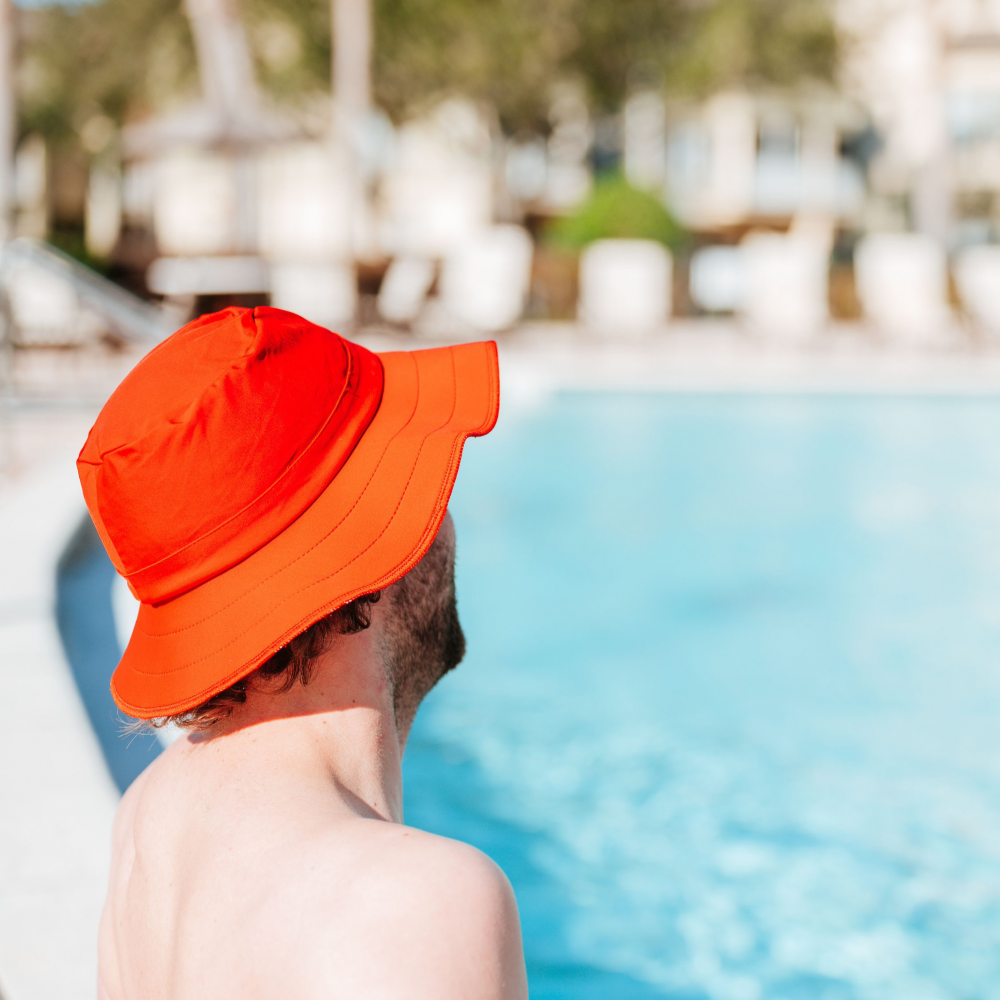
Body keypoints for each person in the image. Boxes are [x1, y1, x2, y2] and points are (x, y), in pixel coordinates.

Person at [80, 306, 527, 999]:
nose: (446, 518)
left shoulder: (150, 824)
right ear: (369, 546)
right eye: (421, 484)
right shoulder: (419, 909)